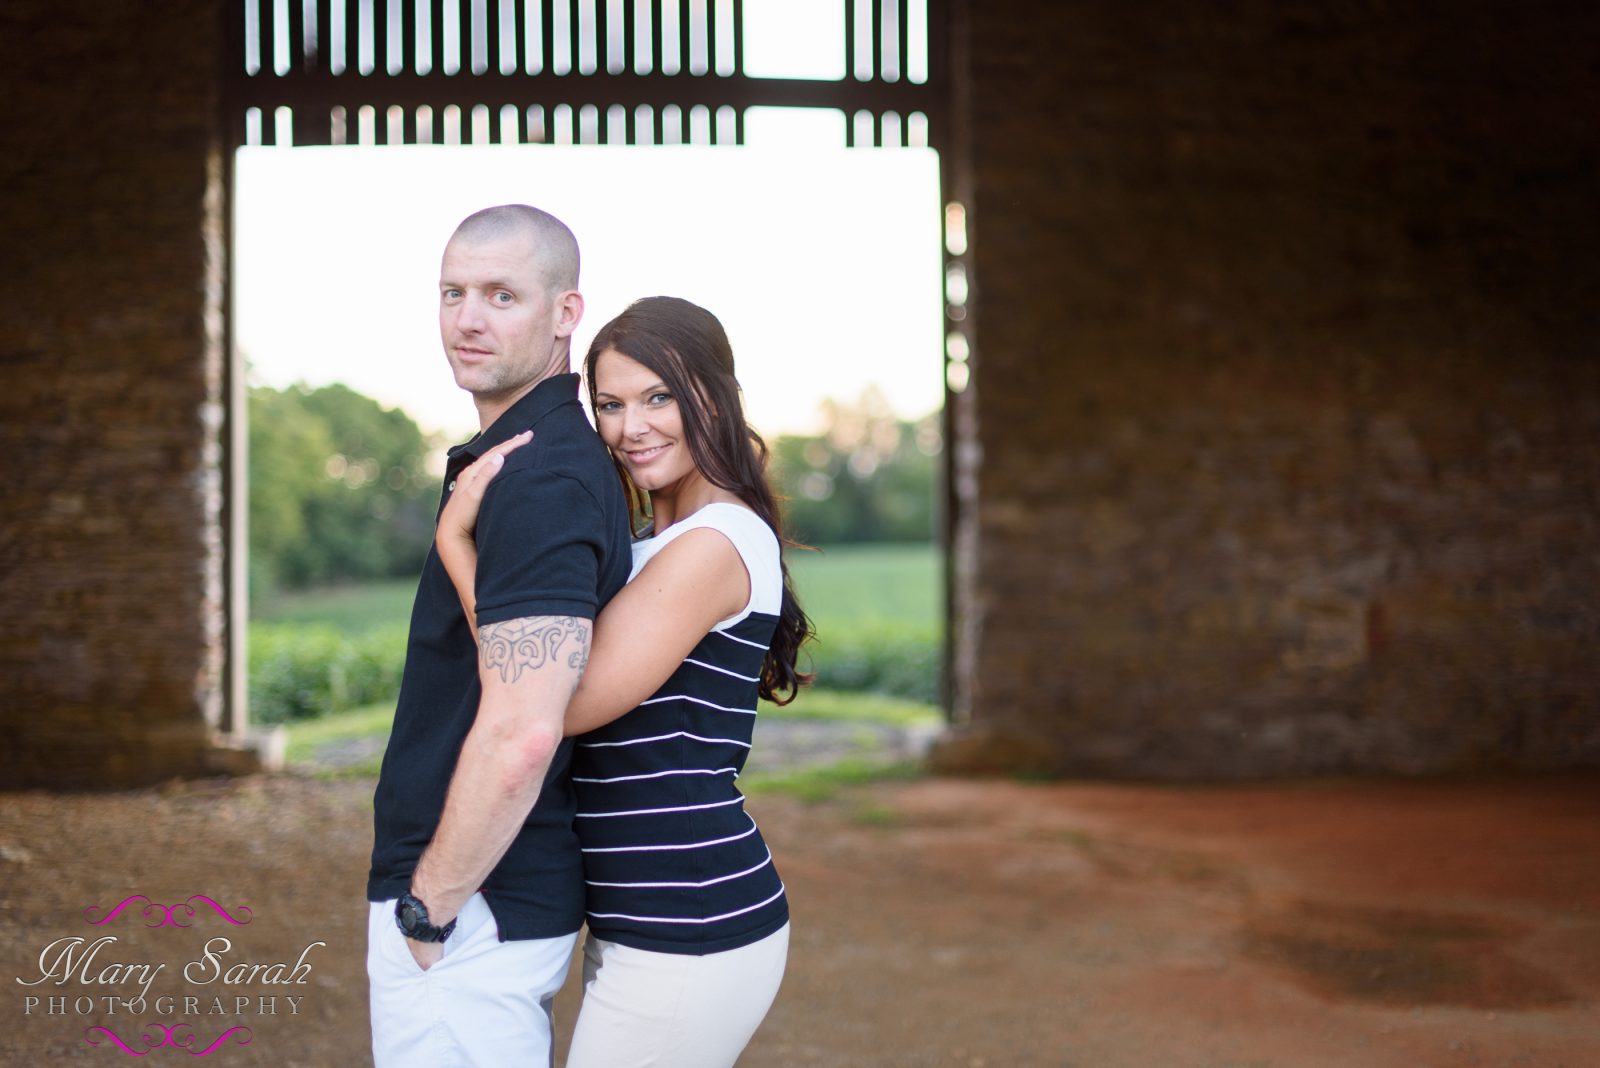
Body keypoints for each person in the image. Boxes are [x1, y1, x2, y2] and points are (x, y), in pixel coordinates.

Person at [435, 295, 814, 1067]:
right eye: (609, 404)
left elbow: (560, 701)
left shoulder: (716, 541)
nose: (630, 427)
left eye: (658, 397)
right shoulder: (654, 541)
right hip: (644, 919)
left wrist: (457, 547)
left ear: (715, 393)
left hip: (691, 924)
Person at [365, 204, 634, 1068]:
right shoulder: (520, 459)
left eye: (502, 295)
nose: (468, 318)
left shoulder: (544, 478)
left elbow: (523, 729)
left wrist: (429, 902)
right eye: (453, 292)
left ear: (566, 314)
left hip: (474, 905)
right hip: (481, 901)